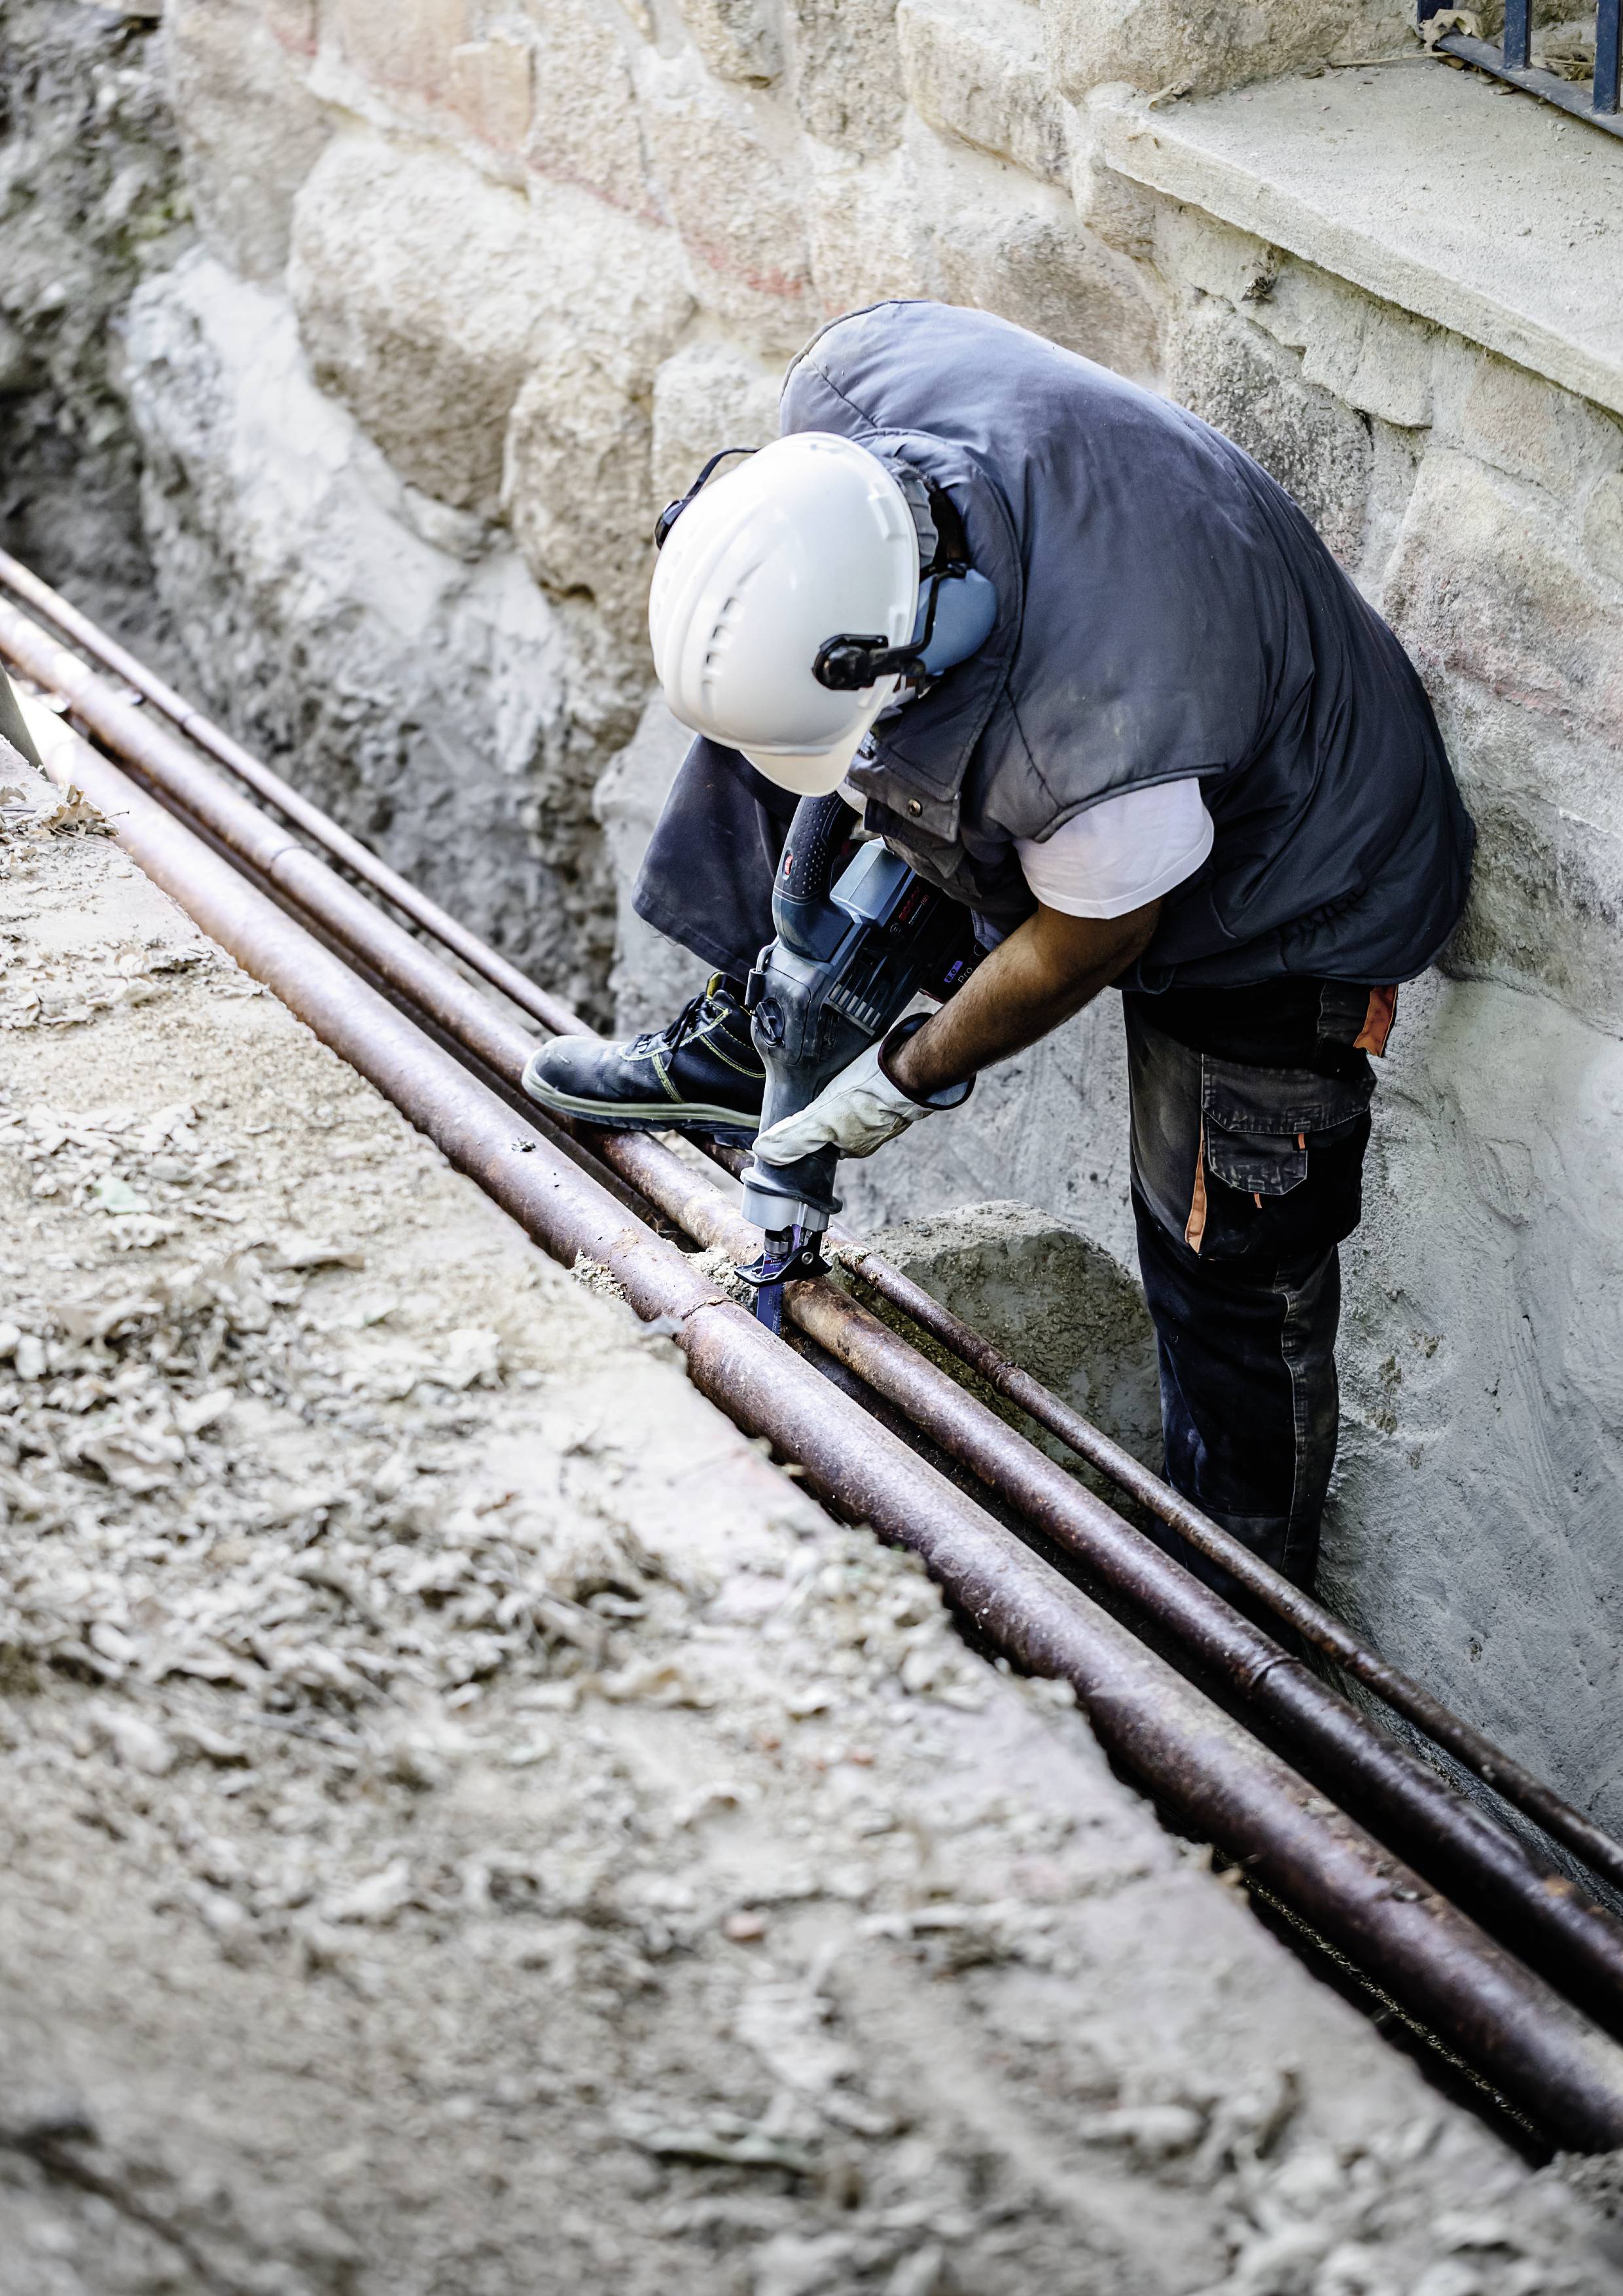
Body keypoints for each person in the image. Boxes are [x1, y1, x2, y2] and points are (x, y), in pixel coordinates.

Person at [524, 299, 1474, 1604]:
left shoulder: (1103, 747)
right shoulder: (850, 397)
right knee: (773, 722)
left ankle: (1243, 1598)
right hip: (1089, 688)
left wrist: (896, 1080)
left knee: (1224, 1256)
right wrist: (816, 995)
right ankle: (756, 1041)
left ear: (907, 637)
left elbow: (1083, 941)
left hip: (1296, 879)